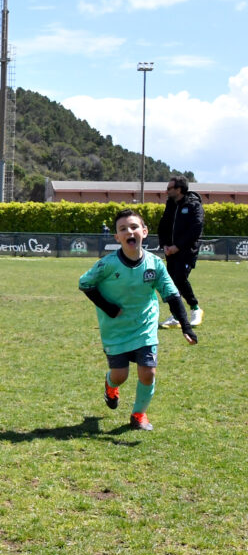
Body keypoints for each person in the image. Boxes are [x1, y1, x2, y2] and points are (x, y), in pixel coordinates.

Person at [79, 208, 197, 431]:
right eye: (122, 229)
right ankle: (110, 385)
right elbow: (85, 284)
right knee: (120, 376)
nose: (129, 231)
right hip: (115, 329)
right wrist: (108, 308)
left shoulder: (154, 264)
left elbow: (172, 295)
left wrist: (186, 327)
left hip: (145, 326)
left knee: (148, 372)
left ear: (144, 231)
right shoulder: (107, 264)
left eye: (133, 227)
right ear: (117, 237)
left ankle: (138, 415)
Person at [158, 175, 205, 329]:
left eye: (169, 188)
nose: (166, 191)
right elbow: (163, 226)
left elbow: (196, 229)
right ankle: (176, 316)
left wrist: (177, 246)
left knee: (179, 278)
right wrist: (165, 245)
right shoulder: (170, 205)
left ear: (179, 189)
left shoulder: (193, 205)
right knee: (171, 284)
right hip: (170, 252)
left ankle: (195, 309)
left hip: (186, 251)